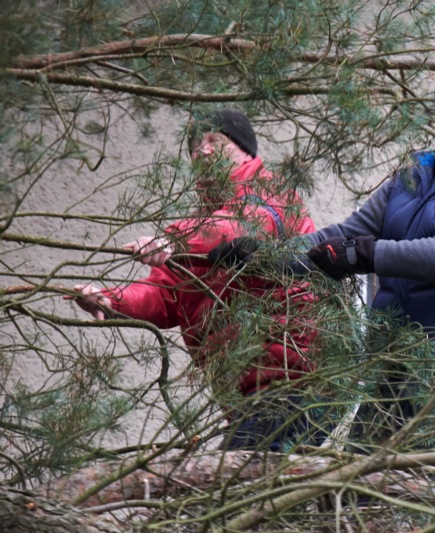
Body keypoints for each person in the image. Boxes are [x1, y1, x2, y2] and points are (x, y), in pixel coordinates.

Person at [211, 77, 435, 455]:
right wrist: (266, 257)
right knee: (358, 491)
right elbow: (345, 235)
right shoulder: (411, 179)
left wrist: (367, 255)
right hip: (397, 373)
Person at [67, 109, 323, 451]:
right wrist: (111, 300)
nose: (203, 150)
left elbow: (242, 226)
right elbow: (164, 292)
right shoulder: (199, 228)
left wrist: (174, 241)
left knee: (236, 476)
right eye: (195, 145)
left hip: (297, 386)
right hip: (248, 399)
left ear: (246, 152)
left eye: (215, 140)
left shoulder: (272, 194)